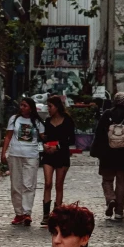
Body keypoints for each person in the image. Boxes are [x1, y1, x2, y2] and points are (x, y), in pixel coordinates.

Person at [90, 91, 124, 221]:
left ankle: (110, 199)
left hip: (107, 156)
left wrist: (96, 151)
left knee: (107, 181)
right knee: (122, 185)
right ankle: (119, 212)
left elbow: (99, 134)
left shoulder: (107, 114)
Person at [2, 97, 46, 226]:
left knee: (29, 184)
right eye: (21, 105)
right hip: (15, 154)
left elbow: (44, 136)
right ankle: (18, 213)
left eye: (25, 105)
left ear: (31, 108)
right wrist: (3, 152)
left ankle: (27, 212)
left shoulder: (37, 122)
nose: (22, 108)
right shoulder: (14, 119)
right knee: (16, 185)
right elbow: (8, 136)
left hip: (31, 155)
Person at [39, 95, 76, 226]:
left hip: (62, 155)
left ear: (57, 107)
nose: (48, 109)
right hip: (48, 155)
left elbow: (71, 140)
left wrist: (58, 146)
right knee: (48, 183)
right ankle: (45, 214)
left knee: (58, 185)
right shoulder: (48, 121)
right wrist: (44, 144)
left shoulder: (67, 121)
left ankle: (57, 214)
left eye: (50, 106)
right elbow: (46, 137)